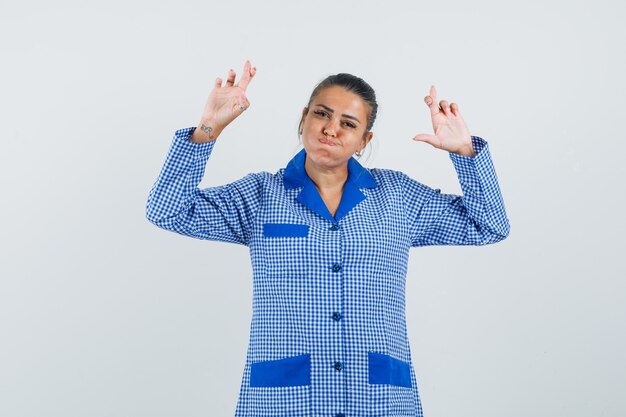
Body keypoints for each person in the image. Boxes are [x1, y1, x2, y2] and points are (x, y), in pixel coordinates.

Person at [146, 59, 510, 417]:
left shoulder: (398, 198)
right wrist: (207, 129)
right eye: (322, 114)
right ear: (304, 118)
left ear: (364, 140)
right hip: (285, 401)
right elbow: (168, 211)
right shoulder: (260, 196)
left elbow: (489, 225)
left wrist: (465, 154)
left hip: (378, 400)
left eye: (348, 123)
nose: (330, 128)